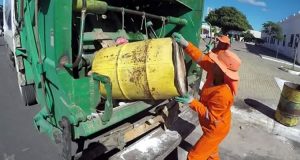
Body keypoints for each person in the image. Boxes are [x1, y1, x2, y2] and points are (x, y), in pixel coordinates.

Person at [172, 32, 241, 160]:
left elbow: (211, 116)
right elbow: (201, 58)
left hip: (215, 130)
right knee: (211, 153)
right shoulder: (215, 71)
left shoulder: (223, 94)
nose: (211, 62)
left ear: (222, 70)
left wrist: (192, 101)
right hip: (210, 126)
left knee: (194, 156)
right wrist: (186, 44)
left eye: (215, 63)